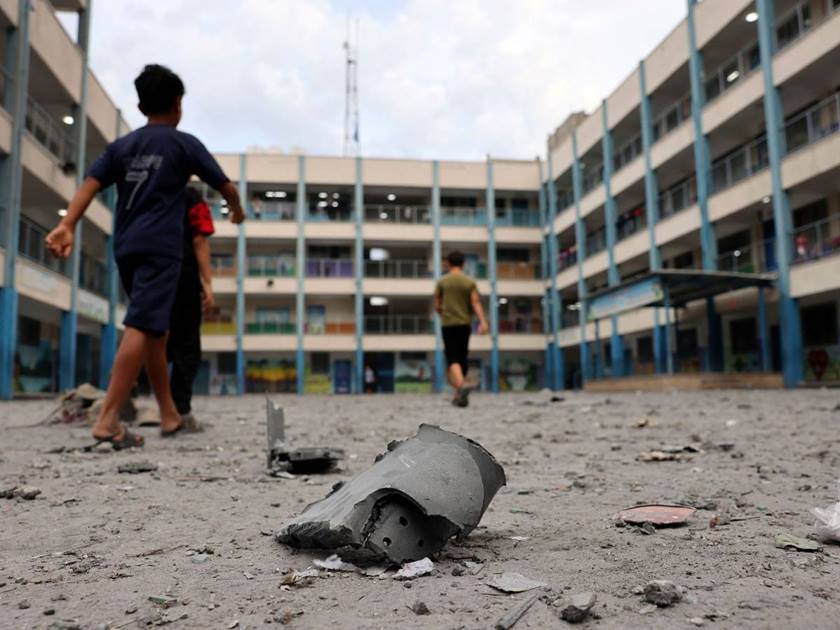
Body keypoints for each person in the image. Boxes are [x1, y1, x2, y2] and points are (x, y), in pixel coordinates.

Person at [46, 64, 245, 449]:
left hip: (127, 247)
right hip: (161, 248)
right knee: (142, 323)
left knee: (156, 329)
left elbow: (90, 184)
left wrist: (68, 223)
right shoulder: (183, 144)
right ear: (178, 103)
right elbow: (226, 186)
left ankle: (169, 414)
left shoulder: (122, 147)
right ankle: (108, 419)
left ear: (140, 106)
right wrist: (236, 211)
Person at [166, 187, 216, 431]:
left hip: (144, 271)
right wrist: (207, 283)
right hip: (180, 273)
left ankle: (120, 399)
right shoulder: (190, 197)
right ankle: (180, 411)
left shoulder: (147, 190)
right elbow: (199, 239)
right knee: (187, 347)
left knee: (149, 338)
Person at [434, 250, 488, 407]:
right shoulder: (469, 282)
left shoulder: (442, 282)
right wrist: (483, 321)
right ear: (463, 264)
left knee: (452, 358)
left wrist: (443, 314)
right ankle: (459, 395)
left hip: (448, 324)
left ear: (448, 263)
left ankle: (462, 386)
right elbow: (475, 302)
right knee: (462, 357)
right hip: (465, 324)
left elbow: (437, 305)